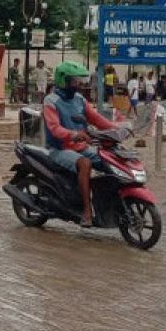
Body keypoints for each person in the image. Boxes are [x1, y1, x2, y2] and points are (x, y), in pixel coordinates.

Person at [42, 61, 117, 227]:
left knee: (109, 159)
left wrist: (118, 129)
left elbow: (97, 119)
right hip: (59, 149)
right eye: (75, 81)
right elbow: (54, 129)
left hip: (81, 147)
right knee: (85, 163)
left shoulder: (79, 99)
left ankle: (112, 203)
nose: (78, 84)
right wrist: (75, 134)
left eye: (79, 81)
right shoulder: (50, 101)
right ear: (64, 80)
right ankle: (87, 210)